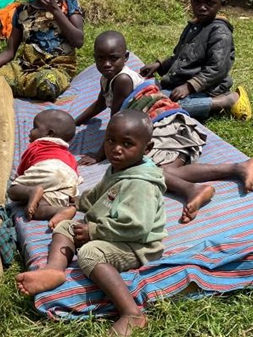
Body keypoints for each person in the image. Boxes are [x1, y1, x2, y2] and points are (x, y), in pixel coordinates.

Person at [76, 30, 253, 222]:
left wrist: (99, 154)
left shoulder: (122, 79)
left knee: (146, 170)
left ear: (126, 57)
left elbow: (116, 124)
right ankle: (235, 170)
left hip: (167, 125)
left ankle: (199, 186)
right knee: (166, 171)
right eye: (100, 59)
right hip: (162, 123)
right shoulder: (108, 77)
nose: (106, 64)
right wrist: (75, 121)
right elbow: (100, 102)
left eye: (113, 58)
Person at [15, 110, 166, 337]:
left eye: (127, 144)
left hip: (135, 244)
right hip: (112, 231)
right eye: (111, 141)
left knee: (89, 253)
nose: (116, 149)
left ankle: (131, 312)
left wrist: (94, 231)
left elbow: (137, 228)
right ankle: (54, 270)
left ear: (147, 148)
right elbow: (98, 194)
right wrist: (76, 202)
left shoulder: (141, 185)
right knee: (65, 227)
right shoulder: (118, 167)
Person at [139, 0, 252, 121]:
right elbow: (179, 57)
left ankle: (226, 101)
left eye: (209, 3)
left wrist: (189, 87)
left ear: (221, 5)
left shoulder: (220, 32)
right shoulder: (193, 27)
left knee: (165, 105)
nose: (202, 7)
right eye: (197, 2)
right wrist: (159, 65)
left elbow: (217, 68)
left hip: (208, 88)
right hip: (182, 83)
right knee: (147, 97)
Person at [7, 109, 80, 224]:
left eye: (34, 128)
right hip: (69, 179)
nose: (30, 132)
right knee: (36, 209)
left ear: (49, 134)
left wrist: (21, 184)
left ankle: (32, 191)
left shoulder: (38, 145)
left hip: (47, 168)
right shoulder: (69, 155)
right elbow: (75, 174)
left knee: (13, 190)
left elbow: (21, 173)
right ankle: (61, 210)